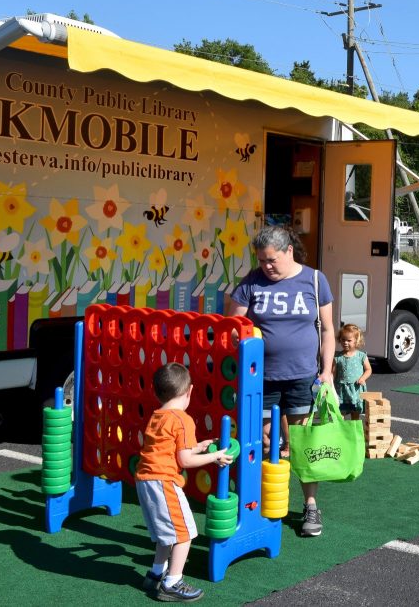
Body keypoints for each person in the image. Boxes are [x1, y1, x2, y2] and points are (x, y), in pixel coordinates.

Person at [225, 225, 334, 537]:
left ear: (289, 251)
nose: (266, 266)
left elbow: (327, 330)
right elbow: (233, 326)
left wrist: (326, 372)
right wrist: (238, 337)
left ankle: (311, 506)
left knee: (301, 443)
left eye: (271, 260)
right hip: (260, 380)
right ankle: (253, 504)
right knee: (258, 442)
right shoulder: (252, 282)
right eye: (261, 261)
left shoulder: (314, 279)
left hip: (302, 377)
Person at [135, 362, 234, 602]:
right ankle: (172, 582)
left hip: (145, 479)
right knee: (184, 533)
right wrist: (215, 456)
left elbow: (172, 448)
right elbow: (185, 460)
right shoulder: (182, 419)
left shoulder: (157, 415)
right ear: (190, 391)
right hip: (163, 481)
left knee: (165, 534)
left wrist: (198, 446)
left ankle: (156, 573)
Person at [334, 323, 372, 420]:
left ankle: (354, 432)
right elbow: (333, 373)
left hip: (355, 389)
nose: (345, 342)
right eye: (343, 340)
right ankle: (341, 432)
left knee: (355, 413)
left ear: (356, 341)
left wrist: (362, 378)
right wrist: (331, 385)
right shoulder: (338, 357)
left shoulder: (361, 356)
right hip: (341, 390)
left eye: (349, 340)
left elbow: (368, 370)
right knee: (340, 413)